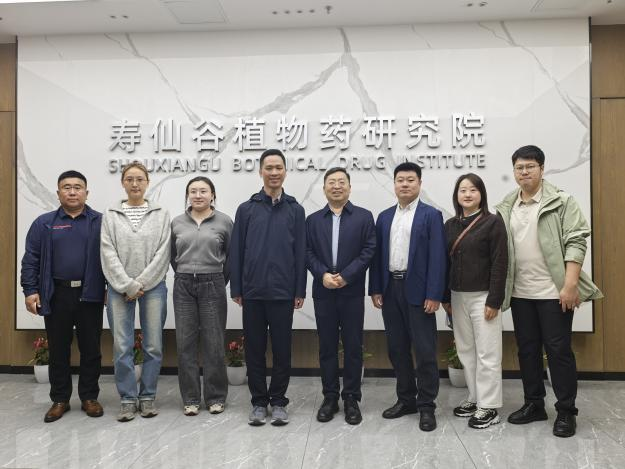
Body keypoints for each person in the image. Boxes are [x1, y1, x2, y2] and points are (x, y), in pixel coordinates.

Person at [496, 145, 602, 438]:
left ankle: (566, 411)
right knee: (527, 350)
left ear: (542, 169)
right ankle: (534, 404)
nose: (524, 172)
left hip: (554, 293)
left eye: (530, 166)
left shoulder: (562, 201)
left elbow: (576, 241)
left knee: (559, 351)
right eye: (519, 167)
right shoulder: (507, 206)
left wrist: (570, 285)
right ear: (514, 172)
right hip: (520, 293)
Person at [21, 170, 106, 423]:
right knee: (58, 349)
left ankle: (89, 397)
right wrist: (30, 290)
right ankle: (60, 399)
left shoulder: (101, 222)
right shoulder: (44, 223)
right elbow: (31, 259)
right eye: (66, 187)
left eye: (77, 187)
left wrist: (112, 288)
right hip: (56, 294)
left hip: (90, 293)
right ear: (58, 193)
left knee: (91, 348)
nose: (72, 191)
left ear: (86, 193)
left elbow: (112, 259)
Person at [229, 148, 306, 427]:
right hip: (253, 292)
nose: (274, 172)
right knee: (255, 351)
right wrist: (237, 288)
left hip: (283, 293)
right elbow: (236, 251)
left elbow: (301, 253)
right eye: (269, 168)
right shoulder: (247, 209)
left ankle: (279, 402)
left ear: (285, 171)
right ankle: (259, 402)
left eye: (278, 168)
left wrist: (299, 290)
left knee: (283, 351)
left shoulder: (295, 210)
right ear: (261, 171)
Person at [369, 162, 447, 432]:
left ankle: (426, 406)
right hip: (391, 289)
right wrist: (376, 288)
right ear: (394, 184)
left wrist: (434, 294)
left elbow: (438, 258)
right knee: (397, 349)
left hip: (420, 292)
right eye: (400, 180)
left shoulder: (431, 215)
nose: (405, 184)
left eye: (410, 180)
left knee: (424, 351)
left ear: (419, 184)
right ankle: (406, 400)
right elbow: (377, 257)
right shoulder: (384, 217)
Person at [100, 162, 171, 422]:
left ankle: (148, 396)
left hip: (153, 287)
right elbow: (107, 252)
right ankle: (128, 399)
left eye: (140, 179)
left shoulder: (161, 213)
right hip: (119, 288)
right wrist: (127, 285)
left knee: (153, 345)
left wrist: (140, 283)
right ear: (123, 183)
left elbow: (164, 252)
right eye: (129, 179)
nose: (135, 183)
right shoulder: (110, 214)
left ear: (147, 182)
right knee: (122, 346)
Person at [306, 167, 376, 425]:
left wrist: (347, 275)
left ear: (349, 187)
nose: (336, 186)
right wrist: (322, 274)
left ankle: (351, 398)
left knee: (353, 346)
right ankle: (330, 397)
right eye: (331, 182)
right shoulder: (313, 220)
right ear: (324, 188)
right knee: (327, 347)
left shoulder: (364, 217)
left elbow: (369, 249)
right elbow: (306, 251)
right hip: (323, 291)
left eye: (341, 182)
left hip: (352, 291)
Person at [442, 173, 508, 429]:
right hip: (457, 296)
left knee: (488, 352)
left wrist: (494, 300)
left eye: (473, 190)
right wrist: (445, 297)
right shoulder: (450, 225)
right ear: (456, 195)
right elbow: (445, 263)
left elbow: (500, 263)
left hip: (484, 297)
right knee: (466, 350)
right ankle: (475, 397)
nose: (467, 194)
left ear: (482, 194)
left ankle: (489, 406)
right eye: (462, 190)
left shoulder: (493, 223)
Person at [171, 176, 233, 416]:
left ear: (212, 195)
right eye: (193, 191)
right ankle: (190, 398)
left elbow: (231, 256)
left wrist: (217, 280)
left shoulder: (224, 221)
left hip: (213, 283)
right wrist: (186, 274)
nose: (198, 195)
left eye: (203, 191)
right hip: (184, 284)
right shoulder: (177, 222)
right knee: (185, 344)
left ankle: (215, 397)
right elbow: (172, 257)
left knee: (214, 343)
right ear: (188, 195)